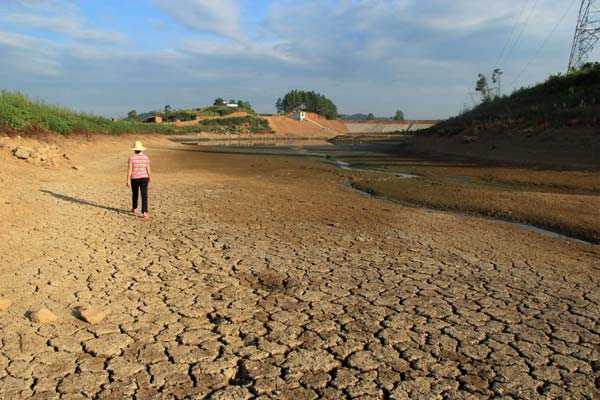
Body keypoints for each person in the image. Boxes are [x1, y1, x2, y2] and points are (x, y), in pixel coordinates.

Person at [127, 141, 151, 219]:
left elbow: (130, 170)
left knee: (135, 193)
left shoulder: (131, 158)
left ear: (134, 149)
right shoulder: (146, 157)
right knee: (144, 195)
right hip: (144, 177)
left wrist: (127, 180)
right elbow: (148, 168)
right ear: (141, 149)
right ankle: (145, 212)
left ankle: (134, 208)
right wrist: (150, 177)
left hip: (134, 178)